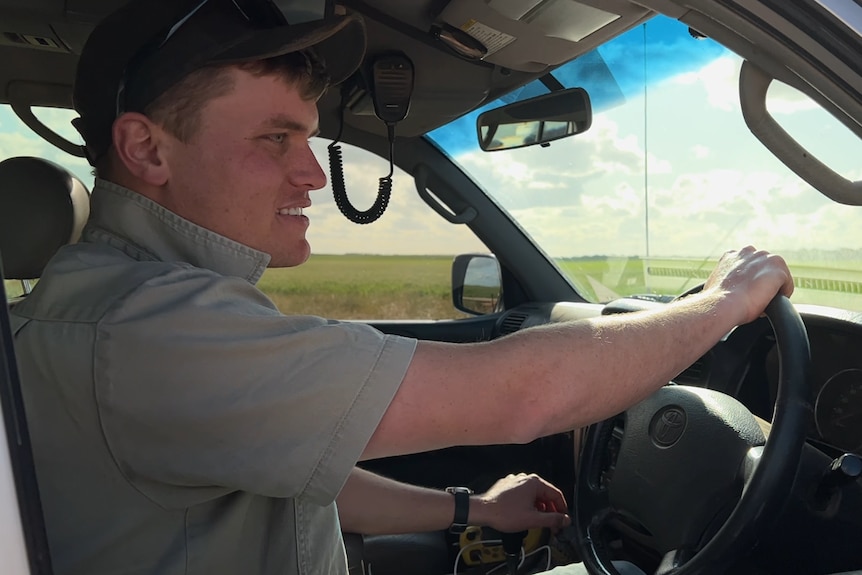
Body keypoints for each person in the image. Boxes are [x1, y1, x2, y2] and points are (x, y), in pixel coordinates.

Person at [9, 1, 793, 574]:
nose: (313, 170)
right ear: (146, 148)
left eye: (309, 138)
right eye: (275, 137)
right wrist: (723, 303)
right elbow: (522, 394)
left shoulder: (123, 305)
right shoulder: (147, 328)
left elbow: (305, 478)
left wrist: (473, 510)